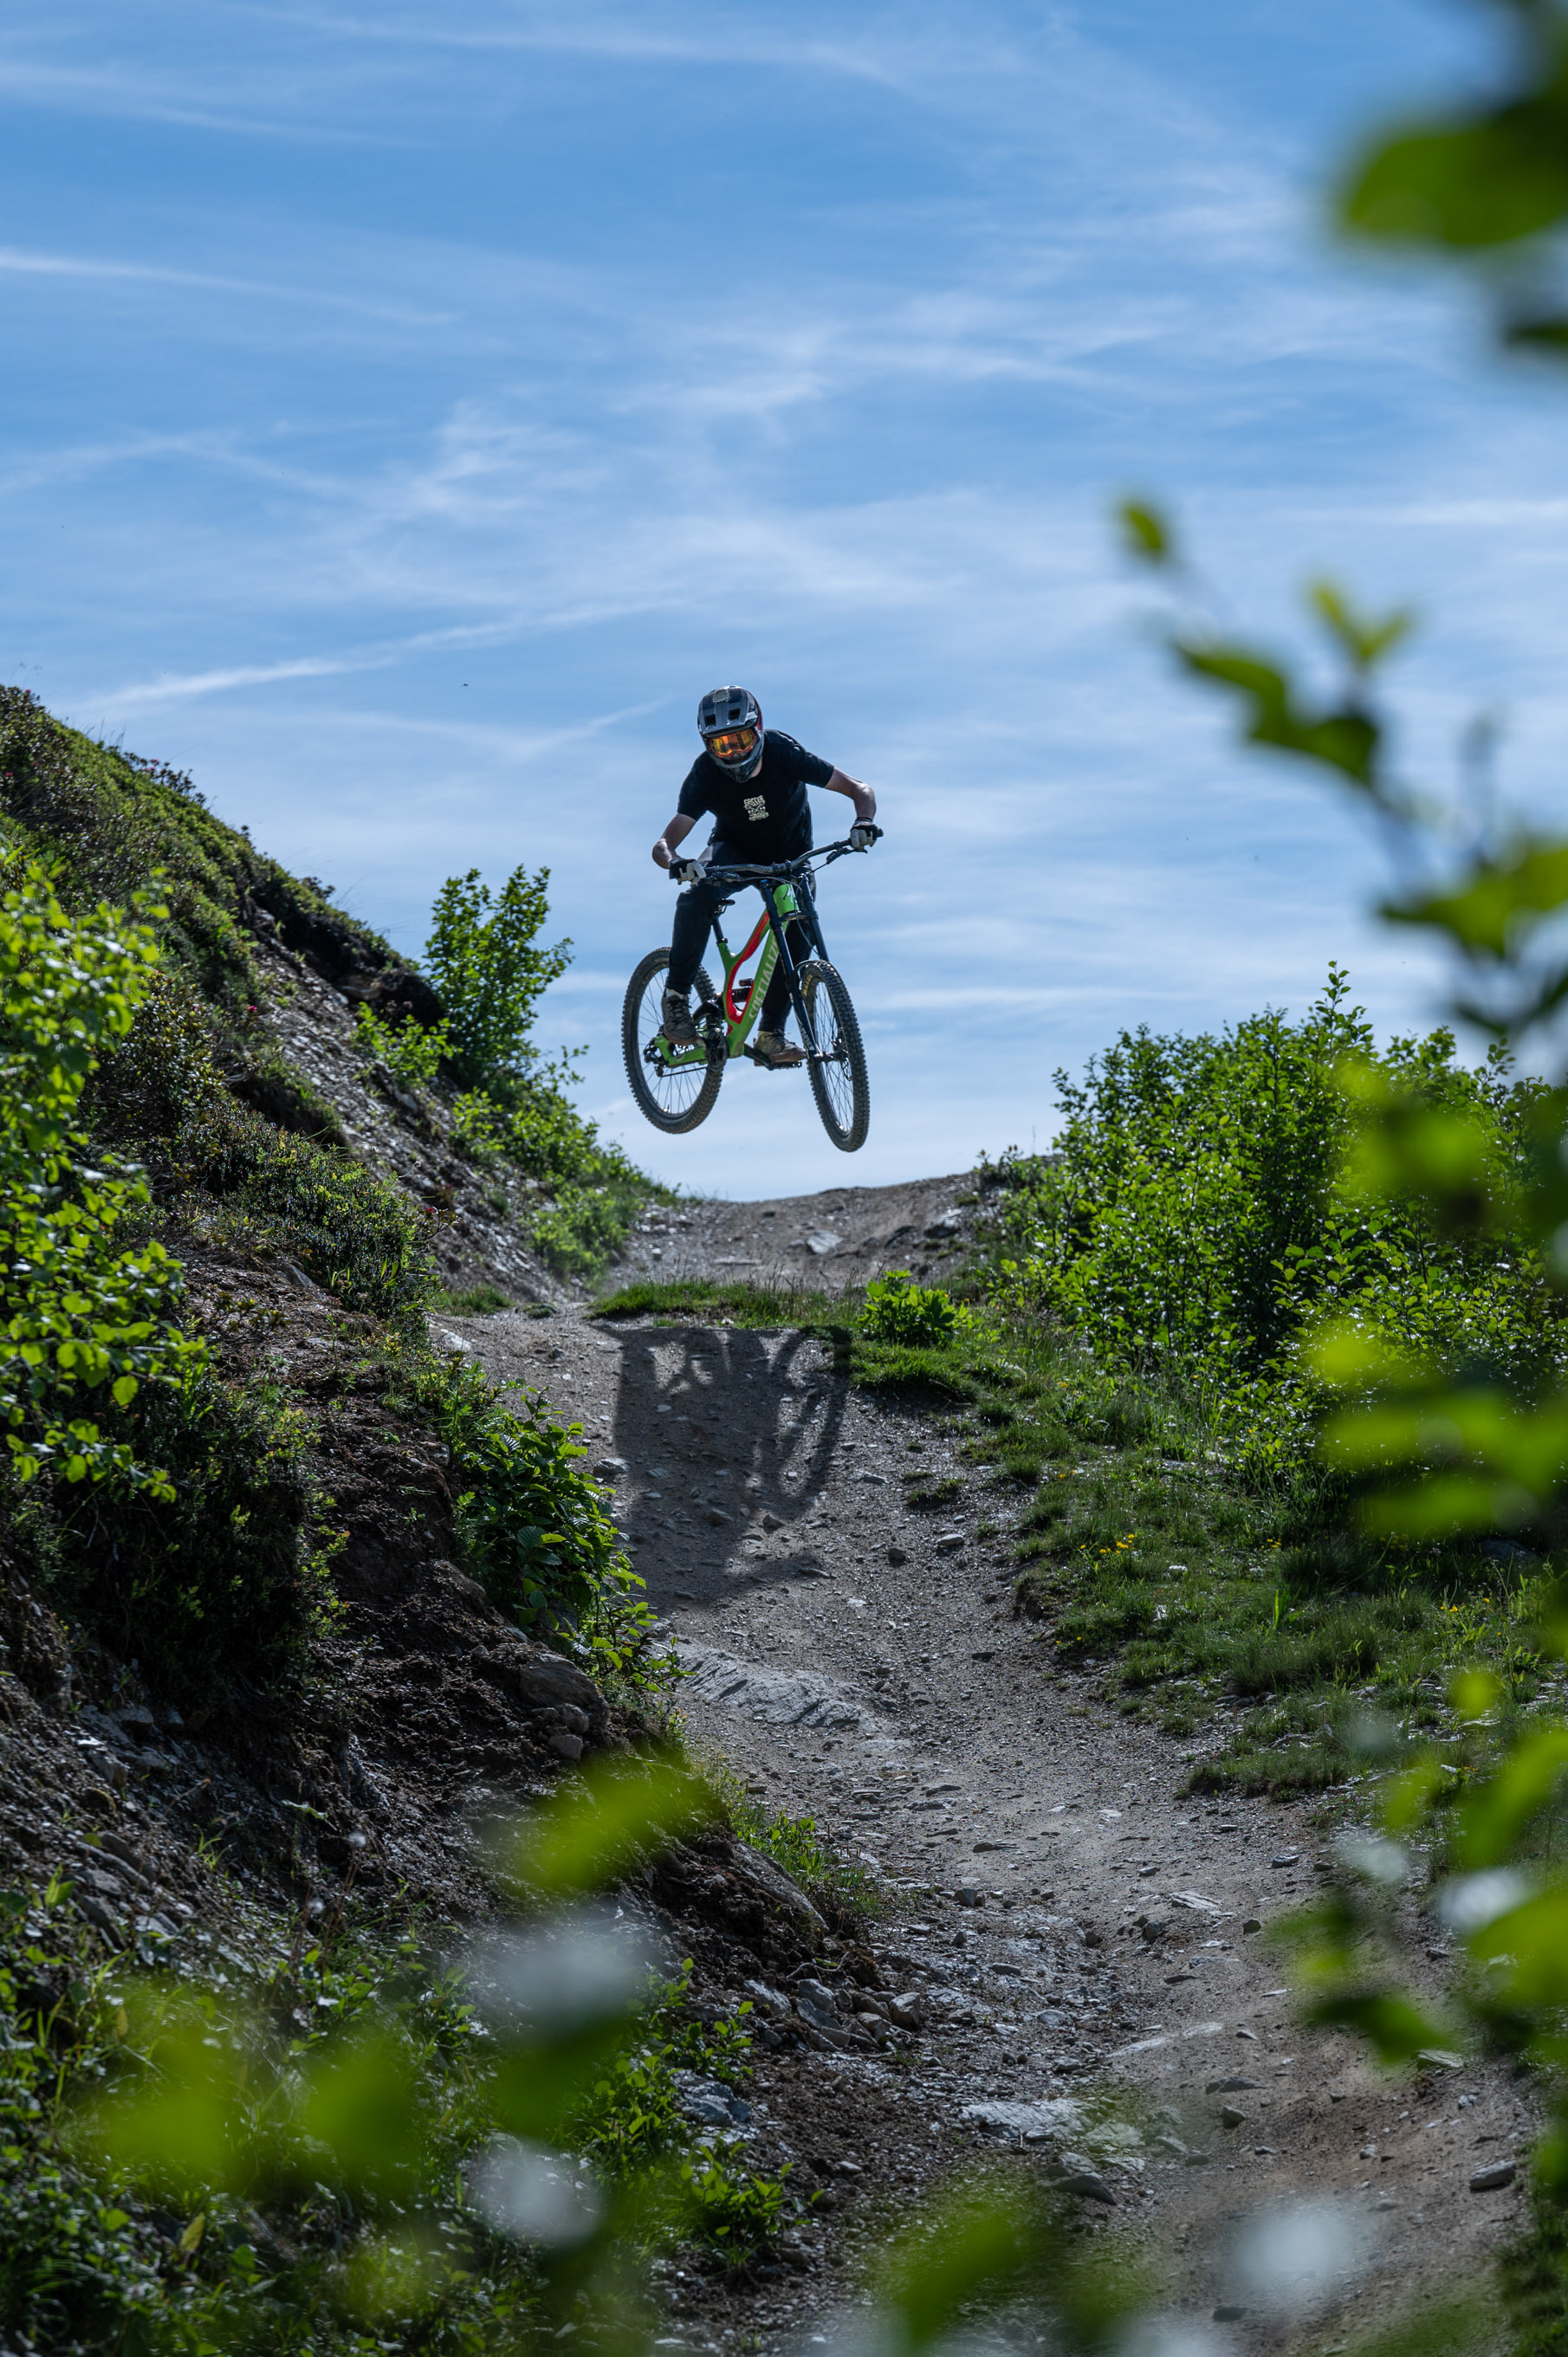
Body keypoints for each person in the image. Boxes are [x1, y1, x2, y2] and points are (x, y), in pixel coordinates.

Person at [650, 687, 878, 1068]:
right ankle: (675, 997)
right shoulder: (705, 773)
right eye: (721, 745)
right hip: (734, 854)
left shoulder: (783, 753)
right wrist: (676, 862)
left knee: (800, 929)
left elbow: (859, 789)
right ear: (707, 745)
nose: (734, 753)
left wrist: (864, 821)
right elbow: (664, 843)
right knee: (696, 895)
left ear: (758, 731)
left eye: (740, 740)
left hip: (792, 857)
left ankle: (770, 1034)